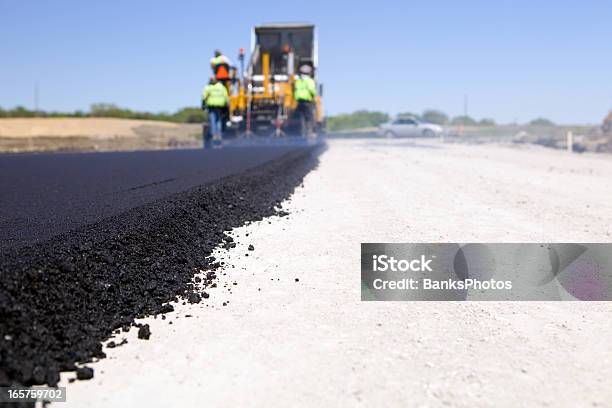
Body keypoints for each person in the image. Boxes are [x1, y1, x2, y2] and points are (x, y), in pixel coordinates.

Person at [201, 76, 229, 146]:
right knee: (218, 120)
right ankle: (218, 135)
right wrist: (227, 105)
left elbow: (203, 97)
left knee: (213, 120)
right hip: (220, 106)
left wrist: (203, 105)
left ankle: (214, 135)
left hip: (212, 106)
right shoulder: (221, 87)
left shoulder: (208, 87)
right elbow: (226, 96)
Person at [293, 65, 317, 137]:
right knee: (309, 118)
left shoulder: (298, 81)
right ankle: (310, 132)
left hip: (299, 102)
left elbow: (295, 90)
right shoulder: (310, 81)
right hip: (307, 102)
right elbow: (312, 90)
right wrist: (313, 97)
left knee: (300, 118)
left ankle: (301, 133)